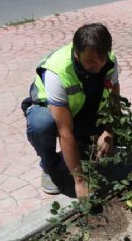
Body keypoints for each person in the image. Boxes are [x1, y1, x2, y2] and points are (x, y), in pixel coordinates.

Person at [23, 23, 119, 197]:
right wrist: (80, 181)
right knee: (41, 124)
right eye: (91, 61)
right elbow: (64, 131)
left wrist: (108, 132)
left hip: (82, 105)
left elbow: (114, 98)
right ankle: (49, 166)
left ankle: (84, 143)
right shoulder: (57, 71)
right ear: (77, 52)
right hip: (51, 108)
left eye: (102, 59)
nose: (98, 66)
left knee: (119, 132)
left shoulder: (108, 58)